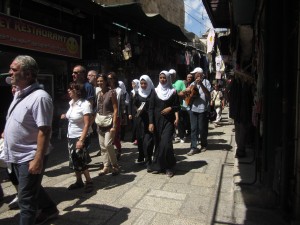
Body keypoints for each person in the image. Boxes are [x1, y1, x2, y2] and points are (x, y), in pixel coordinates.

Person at [2, 55, 58, 225]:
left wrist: (38, 159)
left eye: (14, 69)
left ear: (28, 74)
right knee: (31, 187)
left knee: (25, 200)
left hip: (29, 156)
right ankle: (49, 209)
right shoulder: (19, 93)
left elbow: (44, 130)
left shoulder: (40, 97)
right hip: (17, 155)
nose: (10, 72)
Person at [61, 82, 93, 193]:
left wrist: (81, 140)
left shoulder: (85, 104)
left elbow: (87, 124)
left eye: (71, 89)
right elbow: (72, 116)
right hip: (71, 136)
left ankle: (89, 181)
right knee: (73, 160)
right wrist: (65, 116)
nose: (68, 91)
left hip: (80, 136)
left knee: (80, 159)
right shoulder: (71, 103)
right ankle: (79, 181)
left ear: (77, 91)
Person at [149, 70, 180, 177]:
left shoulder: (173, 91)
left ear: (168, 79)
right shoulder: (155, 91)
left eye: (164, 78)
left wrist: (170, 108)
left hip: (168, 122)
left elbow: (177, 106)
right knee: (158, 144)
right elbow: (151, 108)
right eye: (161, 78)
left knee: (165, 143)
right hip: (157, 122)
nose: (162, 80)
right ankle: (163, 166)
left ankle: (168, 167)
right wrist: (151, 122)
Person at [129, 75, 155, 169]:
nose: (143, 85)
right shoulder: (137, 93)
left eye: (145, 83)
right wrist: (138, 109)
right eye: (141, 83)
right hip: (140, 120)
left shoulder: (152, 93)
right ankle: (142, 157)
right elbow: (134, 105)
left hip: (149, 120)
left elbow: (154, 106)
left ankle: (149, 161)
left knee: (147, 141)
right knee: (140, 140)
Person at [95, 74, 119, 175]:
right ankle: (106, 166)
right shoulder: (98, 93)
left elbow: (115, 109)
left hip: (109, 122)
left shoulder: (111, 93)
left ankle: (115, 165)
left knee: (108, 144)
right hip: (100, 122)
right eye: (98, 81)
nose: (100, 83)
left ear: (106, 82)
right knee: (102, 147)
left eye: (102, 81)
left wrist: (114, 125)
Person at [186, 67, 211, 156]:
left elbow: (208, 94)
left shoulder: (206, 82)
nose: (194, 75)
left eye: (195, 74)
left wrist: (201, 84)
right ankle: (194, 147)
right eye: (194, 74)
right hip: (193, 109)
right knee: (193, 129)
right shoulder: (192, 83)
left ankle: (204, 144)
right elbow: (188, 93)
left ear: (199, 74)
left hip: (203, 109)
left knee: (202, 129)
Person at [169, 69, 188, 143]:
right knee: (171, 121)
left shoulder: (180, 82)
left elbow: (185, 93)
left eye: (172, 75)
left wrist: (176, 93)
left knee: (179, 121)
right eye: (169, 75)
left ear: (175, 75)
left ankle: (182, 136)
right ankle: (173, 136)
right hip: (170, 106)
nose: (170, 76)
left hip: (179, 105)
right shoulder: (167, 83)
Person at [107, 72, 123, 160]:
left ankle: (118, 149)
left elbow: (122, 104)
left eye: (111, 78)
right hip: (106, 115)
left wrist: (123, 116)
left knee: (115, 135)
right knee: (107, 135)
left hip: (116, 115)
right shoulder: (105, 89)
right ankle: (110, 152)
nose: (109, 80)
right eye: (108, 78)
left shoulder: (119, 90)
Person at [128, 79, 140, 145]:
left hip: (138, 110)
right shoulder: (132, 92)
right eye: (132, 84)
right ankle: (135, 138)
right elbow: (130, 103)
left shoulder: (140, 92)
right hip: (133, 111)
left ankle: (138, 139)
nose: (133, 85)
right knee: (134, 126)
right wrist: (129, 113)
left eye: (134, 84)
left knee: (138, 125)